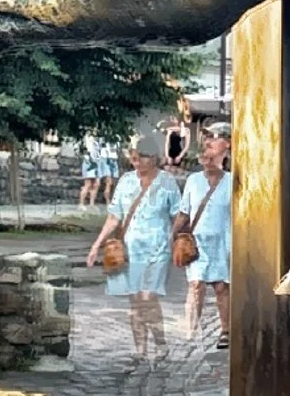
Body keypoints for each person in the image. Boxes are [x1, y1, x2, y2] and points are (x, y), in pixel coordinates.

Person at [89, 138, 181, 358]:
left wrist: (174, 237)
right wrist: (96, 245)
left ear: (154, 158)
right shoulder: (126, 181)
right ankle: (140, 348)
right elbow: (114, 217)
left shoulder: (167, 182)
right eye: (134, 157)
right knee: (135, 299)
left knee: (148, 298)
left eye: (142, 157)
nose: (137, 162)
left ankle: (160, 342)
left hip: (158, 250)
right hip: (131, 250)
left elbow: (178, 215)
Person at [183, 124, 232, 350]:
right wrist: (173, 235)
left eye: (216, 138)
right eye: (208, 138)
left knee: (221, 287)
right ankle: (192, 331)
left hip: (223, 241)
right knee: (196, 285)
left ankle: (226, 331)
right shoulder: (193, 181)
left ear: (227, 146)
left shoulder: (233, 181)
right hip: (198, 242)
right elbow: (185, 212)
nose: (209, 142)